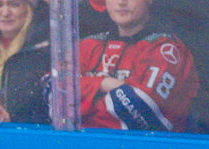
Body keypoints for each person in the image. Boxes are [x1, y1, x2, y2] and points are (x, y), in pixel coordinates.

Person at [78, 0, 199, 131]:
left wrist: (80, 109)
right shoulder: (87, 46)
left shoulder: (167, 49)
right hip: (80, 147)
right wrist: (104, 83)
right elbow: (55, 94)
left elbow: (141, 111)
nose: (121, 2)